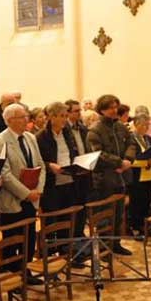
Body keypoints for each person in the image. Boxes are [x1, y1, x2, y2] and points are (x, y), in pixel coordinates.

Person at [0, 103, 45, 283]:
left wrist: (38, 190)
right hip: (11, 200)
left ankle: (25, 272)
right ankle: (11, 277)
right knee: (11, 241)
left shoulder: (30, 137)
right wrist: (26, 193)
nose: (26, 119)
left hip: (32, 197)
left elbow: (41, 165)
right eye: (22, 117)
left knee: (29, 238)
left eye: (26, 116)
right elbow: (4, 174)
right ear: (9, 120)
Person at [87, 94, 136, 256]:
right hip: (104, 178)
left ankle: (115, 244)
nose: (115, 110)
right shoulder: (95, 129)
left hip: (120, 177)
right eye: (110, 108)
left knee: (118, 213)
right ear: (102, 110)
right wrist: (119, 162)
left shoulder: (120, 126)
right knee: (104, 215)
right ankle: (103, 247)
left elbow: (131, 143)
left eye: (116, 106)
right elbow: (98, 154)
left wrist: (128, 160)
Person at [36, 102, 78, 214]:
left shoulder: (67, 133)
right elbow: (36, 162)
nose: (65, 119)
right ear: (51, 117)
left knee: (69, 217)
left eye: (66, 116)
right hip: (52, 185)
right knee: (53, 219)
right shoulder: (40, 137)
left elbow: (72, 154)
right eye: (61, 116)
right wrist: (49, 166)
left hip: (69, 181)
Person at [128, 113, 151, 235]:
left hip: (150, 175)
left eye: (147, 125)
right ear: (136, 124)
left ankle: (144, 226)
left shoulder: (148, 138)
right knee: (137, 203)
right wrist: (146, 162)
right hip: (137, 176)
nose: (146, 127)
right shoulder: (131, 138)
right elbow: (130, 161)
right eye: (143, 125)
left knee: (146, 202)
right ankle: (136, 227)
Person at [65, 99, 90, 237]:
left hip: (84, 170)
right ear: (67, 113)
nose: (79, 113)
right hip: (72, 172)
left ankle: (80, 232)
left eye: (79, 110)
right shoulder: (64, 129)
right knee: (73, 204)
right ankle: (73, 233)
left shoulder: (82, 128)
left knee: (83, 203)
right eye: (76, 111)